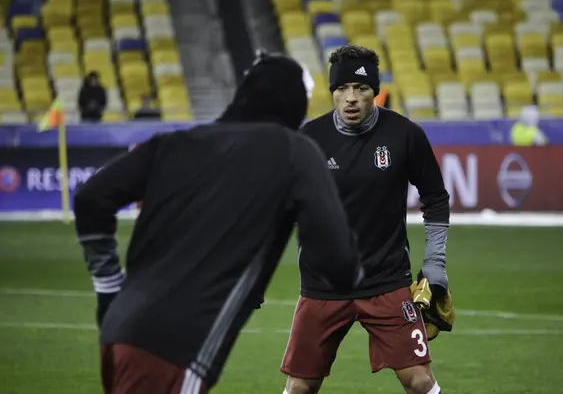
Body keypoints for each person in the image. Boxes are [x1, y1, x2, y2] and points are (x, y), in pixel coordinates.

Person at [73, 51, 363, 394]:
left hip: (117, 330)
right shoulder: (294, 151)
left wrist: (109, 289)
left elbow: (90, 198)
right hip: (176, 347)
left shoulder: (174, 143)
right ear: (293, 103)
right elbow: (340, 263)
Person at [280, 45, 451, 394]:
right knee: (299, 387)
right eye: (341, 89)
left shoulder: (404, 135)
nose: (351, 98)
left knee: (419, 381)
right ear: (332, 93)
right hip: (322, 285)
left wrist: (435, 264)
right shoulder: (308, 140)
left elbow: (435, 198)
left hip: (387, 281)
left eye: (360, 89)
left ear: (375, 90)